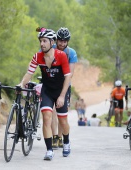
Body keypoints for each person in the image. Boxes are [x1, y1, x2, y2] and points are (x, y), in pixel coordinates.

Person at [19, 28, 71, 160]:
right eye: (40, 41)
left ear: (52, 42)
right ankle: (49, 150)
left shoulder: (61, 55)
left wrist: (62, 96)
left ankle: (66, 142)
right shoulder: (38, 56)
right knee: (47, 118)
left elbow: (68, 77)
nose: (42, 44)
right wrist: (21, 84)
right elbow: (29, 73)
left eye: (44, 41)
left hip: (60, 91)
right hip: (47, 91)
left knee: (63, 121)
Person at [51, 27, 78, 149]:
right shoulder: (50, 49)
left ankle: (61, 137)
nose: (62, 43)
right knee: (51, 111)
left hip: (64, 85)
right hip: (50, 83)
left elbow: (71, 74)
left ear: (68, 41)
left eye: (64, 41)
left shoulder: (71, 53)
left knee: (61, 113)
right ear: (56, 40)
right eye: (60, 41)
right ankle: (54, 136)